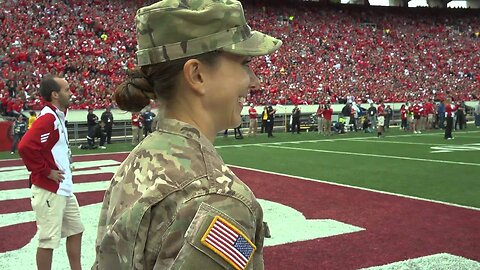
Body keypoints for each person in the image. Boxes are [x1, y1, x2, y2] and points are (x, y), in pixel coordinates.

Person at [92, 1, 281, 269]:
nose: (254, 81)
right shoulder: (219, 199)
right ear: (197, 75)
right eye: (245, 63)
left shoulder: (141, 157)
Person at [18, 74, 84, 270]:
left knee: (76, 230)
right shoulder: (48, 118)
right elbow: (25, 146)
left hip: (62, 188)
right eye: (66, 90)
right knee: (48, 240)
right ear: (55, 94)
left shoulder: (56, 114)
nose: (71, 93)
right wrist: (46, 171)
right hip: (50, 189)